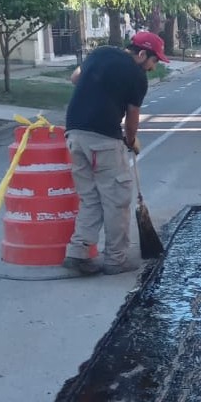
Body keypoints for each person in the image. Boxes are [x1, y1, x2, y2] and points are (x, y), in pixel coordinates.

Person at [62, 32, 169, 276]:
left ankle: (78, 252)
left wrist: (98, 88)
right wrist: (130, 141)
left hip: (74, 135)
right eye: (155, 61)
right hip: (103, 140)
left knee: (90, 198)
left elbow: (75, 78)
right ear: (142, 54)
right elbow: (132, 117)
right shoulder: (137, 76)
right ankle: (115, 259)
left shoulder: (99, 53)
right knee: (116, 200)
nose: (154, 67)